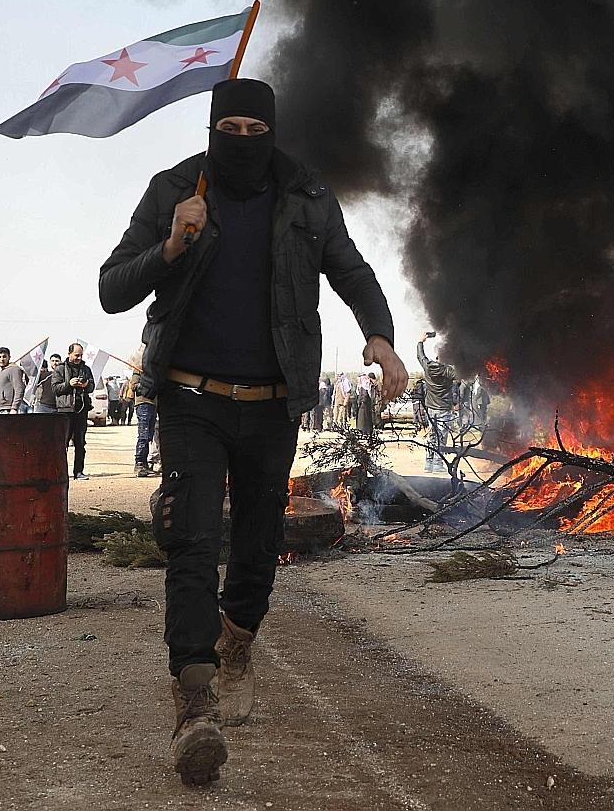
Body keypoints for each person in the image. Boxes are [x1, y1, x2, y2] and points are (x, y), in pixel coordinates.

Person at [98, 77, 407, 786]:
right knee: (191, 539)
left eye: (253, 129)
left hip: (272, 403)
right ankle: (194, 706)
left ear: (271, 131)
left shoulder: (306, 195)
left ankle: (237, 638)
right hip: (189, 398)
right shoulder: (174, 188)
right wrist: (172, 245)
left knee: (261, 541)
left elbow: (353, 273)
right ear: (211, 130)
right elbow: (113, 287)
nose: (242, 141)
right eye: (228, 128)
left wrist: (382, 339)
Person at [52, 342, 94, 479]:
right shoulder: (60, 369)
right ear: (69, 354)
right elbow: (55, 389)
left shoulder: (86, 369)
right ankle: (60, 472)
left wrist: (86, 384)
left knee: (80, 442)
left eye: (81, 355)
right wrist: (68, 384)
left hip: (81, 409)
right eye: (76, 355)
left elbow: (92, 387)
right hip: (65, 410)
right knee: (62, 443)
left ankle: (78, 471)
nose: (79, 358)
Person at [417, 334, 458, 474]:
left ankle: (428, 464)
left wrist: (420, 341)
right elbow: (462, 374)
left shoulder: (428, 368)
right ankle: (437, 464)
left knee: (432, 437)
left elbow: (420, 356)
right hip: (444, 410)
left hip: (431, 409)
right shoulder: (448, 371)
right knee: (441, 437)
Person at [133, 372, 157, 477]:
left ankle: (145, 464)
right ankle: (139, 463)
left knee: (149, 436)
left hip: (153, 405)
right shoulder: (138, 371)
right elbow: (133, 386)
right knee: (144, 435)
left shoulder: (155, 371)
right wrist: (146, 383)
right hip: (143, 404)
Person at [0, 346, 27, 414]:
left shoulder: (14, 369)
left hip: (8, 409)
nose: (2, 359)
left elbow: (19, 389)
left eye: (4, 356)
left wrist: (14, 408)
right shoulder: (2, 372)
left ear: (9, 357)